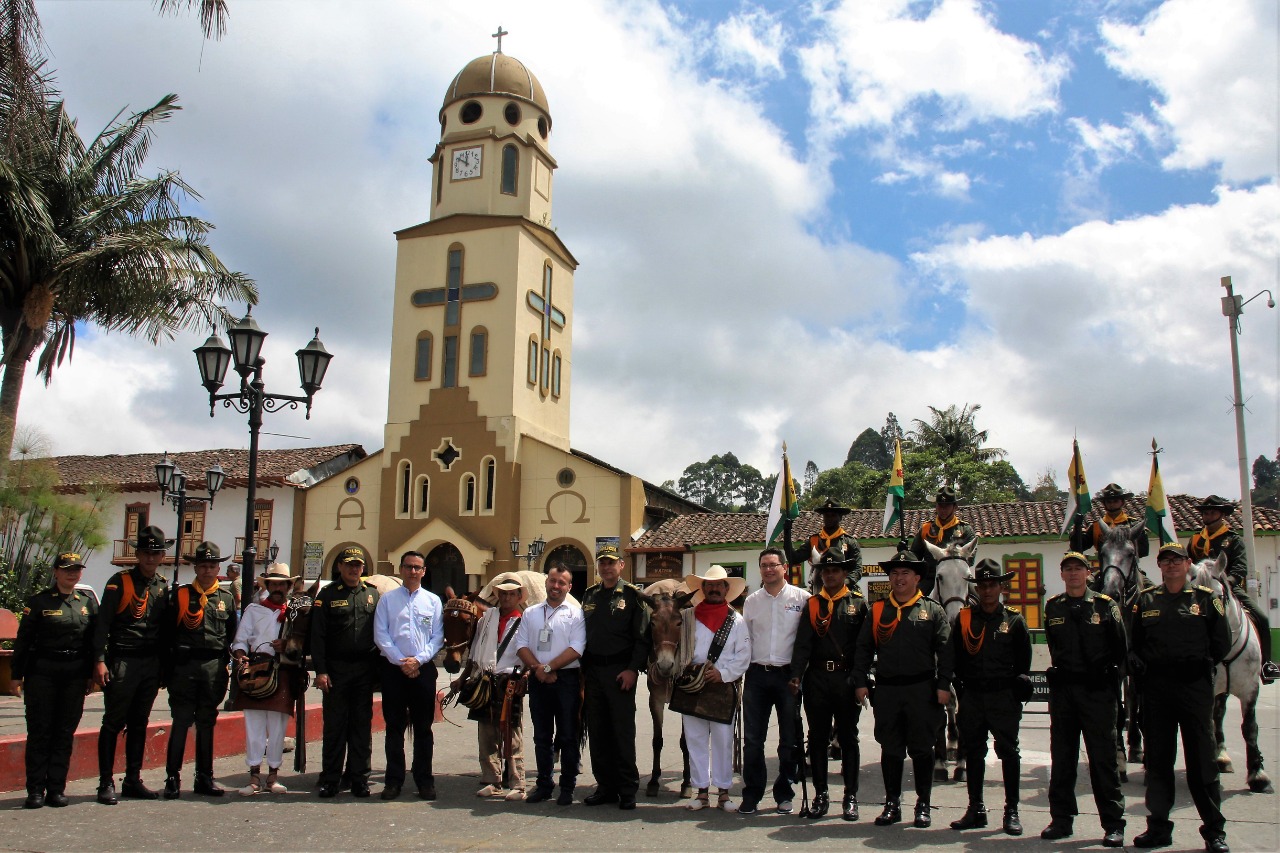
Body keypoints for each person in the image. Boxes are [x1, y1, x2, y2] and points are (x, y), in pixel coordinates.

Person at [1130, 543, 1231, 852]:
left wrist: (1195, 668)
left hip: (1194, 689)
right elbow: (1134, 643)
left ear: (1188, 564)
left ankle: (1214, 831)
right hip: (1158, 690)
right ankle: (1158, 828)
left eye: (1177, 560)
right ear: (1159, 566)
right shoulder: (1146, 601)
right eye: (1165, 561)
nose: (1171, 565)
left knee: (1202, 762)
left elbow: (1222, 644)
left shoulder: (1207, 600)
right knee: (1158, 762)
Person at [852, 550, 952, 828]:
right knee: (891, 749)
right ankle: (892, 803)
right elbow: (863, 649)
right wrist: (860, 681)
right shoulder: (878, 610)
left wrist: (944, 684)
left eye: (905, 573)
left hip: (922, 690)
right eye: (894, 573)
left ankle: (923, 804)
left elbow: (946, 651)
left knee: (922, 749)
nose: (899, 578)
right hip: (888, 691)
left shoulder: (932, 610)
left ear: (917, 578)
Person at [1041, 552, 1127, 847]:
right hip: (1065, 693)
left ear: (1089, 573)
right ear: (1062, 574)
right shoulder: (1053, 607)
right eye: (1068, 569)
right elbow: (1054, 646)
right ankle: (1061, 820)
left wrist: (1110, 689)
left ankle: (1113, 824)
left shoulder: (1105, 606)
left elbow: (1120, 651)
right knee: (1062, 759)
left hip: (1097, 693)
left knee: (1103, 761)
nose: (1074, 574)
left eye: (1079, 569)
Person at [949, 558, 1032, 835]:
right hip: (972, 695)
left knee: (1009, 752)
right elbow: (955, 657)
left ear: (1000, 587)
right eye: (982, 585)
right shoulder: (964, 618)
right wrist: (960, 688)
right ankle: (976, 809)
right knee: (973, 752)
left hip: (1003, 696)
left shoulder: (1015, 620)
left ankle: (1012, 810)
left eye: (992, 585)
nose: (987, 590)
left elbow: (1023, 664)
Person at [92, 524, 172, 805]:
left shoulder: (162, 586)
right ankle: (105, 782)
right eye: (146, 553)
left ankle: (133, 779)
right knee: (113, 722)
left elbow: (165, 630)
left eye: (156, 553)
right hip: (123, 659)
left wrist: (163, 667)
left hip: (150, 663)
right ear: (137, 554)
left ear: (163, 556)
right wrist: (99, 661)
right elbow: (102, 625)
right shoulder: (119, 582)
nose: (150, 558)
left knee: (139, 723)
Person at [11, 553, 98, 809]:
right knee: (40, 731)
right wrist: (16, 675)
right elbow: (24, 642)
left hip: (73, 674)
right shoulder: (39, 602)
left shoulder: (87, 603)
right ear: (56, 572)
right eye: (67, 569)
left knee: (64, 733)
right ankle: (35, 789)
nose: (72, 574)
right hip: (43, 673)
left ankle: (56, 788)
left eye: (77, 570)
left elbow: (93, 642)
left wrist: (92, 672)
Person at [788, 546, 867, 821]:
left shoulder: (858, 603)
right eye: (825, 571)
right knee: (818, 738)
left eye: (835, 570)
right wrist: (796, 675)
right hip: (818, 679)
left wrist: (861, 679)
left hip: (846, 679)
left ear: (845, 573)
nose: (830, 575)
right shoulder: (812, 604)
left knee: (848, 738)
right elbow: (802, 645)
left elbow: (863, 647)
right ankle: (821, 794)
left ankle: (850, 796)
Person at [161, 541, 237, 799]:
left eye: (212, 565)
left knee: (207, 723)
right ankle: (172, 777)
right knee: (181, 722)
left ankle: (204, 777)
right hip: (184, 666)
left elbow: (231, 635)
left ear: (219, 567)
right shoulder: (180, 595)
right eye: (203, 565)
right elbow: (167, 634)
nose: (207, 570)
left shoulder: (226, 599)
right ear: (195, 567)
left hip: (213, 668)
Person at [580, 543, 649, 810]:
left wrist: (632, 669)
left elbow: (642, 638)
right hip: (594, 672)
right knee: (597, 731)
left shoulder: (633, 596)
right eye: (602, 562)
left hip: (620, 671)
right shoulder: (589, 595)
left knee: (621, 731)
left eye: (611, 562)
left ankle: (627, 788)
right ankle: (605, 786)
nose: (606, 567)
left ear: (621, 565)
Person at [740, 546, 807, 816]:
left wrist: (801, 675)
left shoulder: (803, 598)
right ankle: (752, 794)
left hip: (787, 677)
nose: (768, 569)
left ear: (784, 568)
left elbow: (807, 642)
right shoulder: (751, 601)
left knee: (789, 740)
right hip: (757, 675)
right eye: (764, 565)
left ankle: (784, 793)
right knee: (753, 740)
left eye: (773, 564)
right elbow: (745, 639)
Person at [677, 565, 750, 812]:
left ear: (726, 589)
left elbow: (744, 655)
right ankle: (701, 791)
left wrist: (723, 674)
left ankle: (724, 792)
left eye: (719, 585)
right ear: (703, 589)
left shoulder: (736, 620)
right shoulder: (688, 617)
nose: (715, 589)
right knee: (695, 739)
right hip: (693, 685)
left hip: (722, 685)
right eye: (710, 585)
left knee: (723, 740)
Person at [373, 550, 444, 801]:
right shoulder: (387, 600)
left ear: (424, 571)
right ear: (401, 569)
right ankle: (393, 781)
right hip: (394, 670)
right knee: (394, 727)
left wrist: (418, 660)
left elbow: (437, 637)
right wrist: (400, 660)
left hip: (423, 669)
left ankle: (424, 781)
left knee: (423, 728)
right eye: (408, 567)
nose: (413, 571)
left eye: (417, 567)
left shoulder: (433, 601)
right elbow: (381, 634)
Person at [310, 546, 381, 799]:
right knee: (335, 727)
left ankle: (360, 778)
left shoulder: (372, 595)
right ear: (339, 566)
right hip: (336, 670)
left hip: (364, 670)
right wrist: (321, 671)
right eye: (349, 564)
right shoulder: (327, 596)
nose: (354, 569)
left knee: (362, 727)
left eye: (358, 565)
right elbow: (317, 637)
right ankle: (330, 779)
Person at [1187, 495, 1278, 683]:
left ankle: (1266, 664)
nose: (1208, 515)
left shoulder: (1233, 540)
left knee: (1261, 617)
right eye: (1205, 512)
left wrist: (1224, 584)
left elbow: (1240, 568)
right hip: (1199, 590)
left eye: (1212, 512)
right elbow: (1189, 565)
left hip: (1228, 588)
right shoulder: (1196, 540)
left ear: (1221, 515)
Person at [516, 564, 586, 805]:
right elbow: (521, 645)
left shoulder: (576, 614)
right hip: (538, 679)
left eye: (561, 583)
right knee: (542, 736)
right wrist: (539, 669)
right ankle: (544, 784)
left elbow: (577, 648)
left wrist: (549, 668)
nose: (556, 586)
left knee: (568, 735)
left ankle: (567, 786)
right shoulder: (531, 613)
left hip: (566, 680)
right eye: (552, 581)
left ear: (569, 587)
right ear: (546, 582)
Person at [231, 563, 301, 796]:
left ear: (289, 586)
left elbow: (302, 645)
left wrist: (287, 645)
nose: (278, 587)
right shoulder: (253, 610)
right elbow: (240, 640)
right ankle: (253, 776)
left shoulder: (295, 612)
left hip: (282, 672)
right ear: (268, 586)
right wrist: (241, 656)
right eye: (274, 583)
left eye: (282, 583)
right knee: (254, 725)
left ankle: (273, 776)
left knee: (278, 726)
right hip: (256, 671)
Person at [463, 577, 527, 801]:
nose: (507, 597)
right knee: (486, 734)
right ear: (498, 596)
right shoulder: (486, 621)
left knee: (511, 734)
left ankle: (518, 783)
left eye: (512, 594)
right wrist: (463, 679)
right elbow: (473, 653)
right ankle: (492, 779)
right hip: (485, 679)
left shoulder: (524, 622)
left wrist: (524, 676)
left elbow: (528, 654)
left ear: (519, 597)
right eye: (503, 593)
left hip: (509, 681)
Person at [909, 487, 977, 596]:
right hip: (930, 579)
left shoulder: (965, 530)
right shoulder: (926, 528)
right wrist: (905, 553)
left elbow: (971, 559)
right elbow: (915, 555)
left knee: (978, 600)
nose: (943, 509)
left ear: (955, 507)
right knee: (912, 602)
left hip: (957, 578)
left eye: (947, 506)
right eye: (940, 505)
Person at [784, 498, 862, 592]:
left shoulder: (850, 542)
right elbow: (794, 558)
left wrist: (842, 582)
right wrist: (787, 533)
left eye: (833, 515)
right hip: (818, 592)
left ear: (840, 517)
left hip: (845, 592)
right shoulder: (814, 540)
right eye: (826, 515)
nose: (829, 518)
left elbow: (857, 569)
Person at [1069, 483, 1150, 561]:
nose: (1112, 504)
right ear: (1104, 504)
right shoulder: (1097, 526)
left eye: (1115, 501)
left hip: (1129, 567)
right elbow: (1078, 547)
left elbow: (1144, 551)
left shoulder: (1133, 524)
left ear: (1122, 502)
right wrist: (1077, 526)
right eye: (1109, 502)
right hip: (1104, 568)